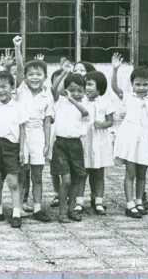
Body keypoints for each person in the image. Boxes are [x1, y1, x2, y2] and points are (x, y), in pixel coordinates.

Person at [12, 43, 54, 223]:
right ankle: (18, 206)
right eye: (31, 74)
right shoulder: (21, 90)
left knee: (37, 175)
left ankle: (37, 208)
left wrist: (47, 143)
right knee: (22, 172)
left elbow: (47, 121)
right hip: (22, 134)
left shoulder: (48, 95)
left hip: (38, 135)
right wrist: (17, 48)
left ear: (45, 77)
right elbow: (20, 69)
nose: (34, 78)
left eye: (39, 74)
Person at [112, 66, 148, 218]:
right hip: (130, 137)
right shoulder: (128, 97)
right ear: (132, 84)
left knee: (142, 173)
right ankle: (130, 204)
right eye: (137, 84)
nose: (141, 88)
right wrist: (115, 70)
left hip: (146, 138)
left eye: (145, 84)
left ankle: (139, 201)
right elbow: (114, 87)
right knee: (130, 172)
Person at [0, 70, 28, 228]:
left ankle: (16, 212)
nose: (0, 90)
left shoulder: (18, 107)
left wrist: (22, 150)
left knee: (13, 181)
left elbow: (22, 129)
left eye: (4, 86)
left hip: (12, 145)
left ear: (12, 88)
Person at [49, 70, 90, 222]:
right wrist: (64, 72)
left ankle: (72, 209)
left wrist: (73, 99)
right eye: (72, 90)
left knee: (75, 180)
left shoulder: (84, 104)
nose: (76, 93)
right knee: (65, 180)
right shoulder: (59, 101)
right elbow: (53, 89)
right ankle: (61, 212)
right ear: (65, 90)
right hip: (60, 144)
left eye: (80, 90)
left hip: (75, 145)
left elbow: (85, 112)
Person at [82, 70, 115, 215]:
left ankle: (98, 200)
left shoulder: (106, 102)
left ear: (100, 87)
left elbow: (110, 121)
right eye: (85, 84)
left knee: (99, 171)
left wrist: (101, 124)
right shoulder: (81, 101)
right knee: (83, 171)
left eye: (90, 84)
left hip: (99, 140)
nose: (86, 88)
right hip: (85, 139)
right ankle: (79, 201)